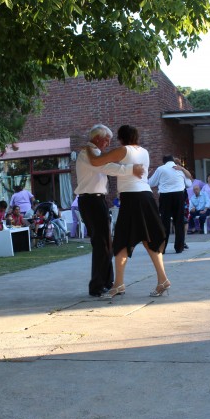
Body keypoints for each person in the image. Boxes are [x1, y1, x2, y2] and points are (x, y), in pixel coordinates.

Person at [86, 125, 170, 299]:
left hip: (132, 199)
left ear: (121, 138)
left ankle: (119, 284)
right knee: (149, 240)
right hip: (147, 197)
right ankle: (161, 279)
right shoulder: (145, 152)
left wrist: (87, 147)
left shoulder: (123, 150)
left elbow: (96, 162)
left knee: (122, 241)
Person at [75, 124, 144, 297]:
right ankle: (97, 285)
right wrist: (131, 169)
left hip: (96, 200)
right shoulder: (88, 154)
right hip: (91, 201)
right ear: (97, 138)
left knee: (106, 243)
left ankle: (106, 281)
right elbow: (106, 167)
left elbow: (106, 164)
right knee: (101, 243)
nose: (108, 143)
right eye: (107, 139)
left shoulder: (93, 153)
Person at [148, 154, 192, 254]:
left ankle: (162, 248)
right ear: (173, 160)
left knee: (164, 222)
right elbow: (189, 184)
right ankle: (179, 247)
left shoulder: (161, 169)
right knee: (179, 222)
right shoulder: (180, 169)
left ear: (164, 161)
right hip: (179, 196)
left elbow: (151, 183)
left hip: (165, 196)